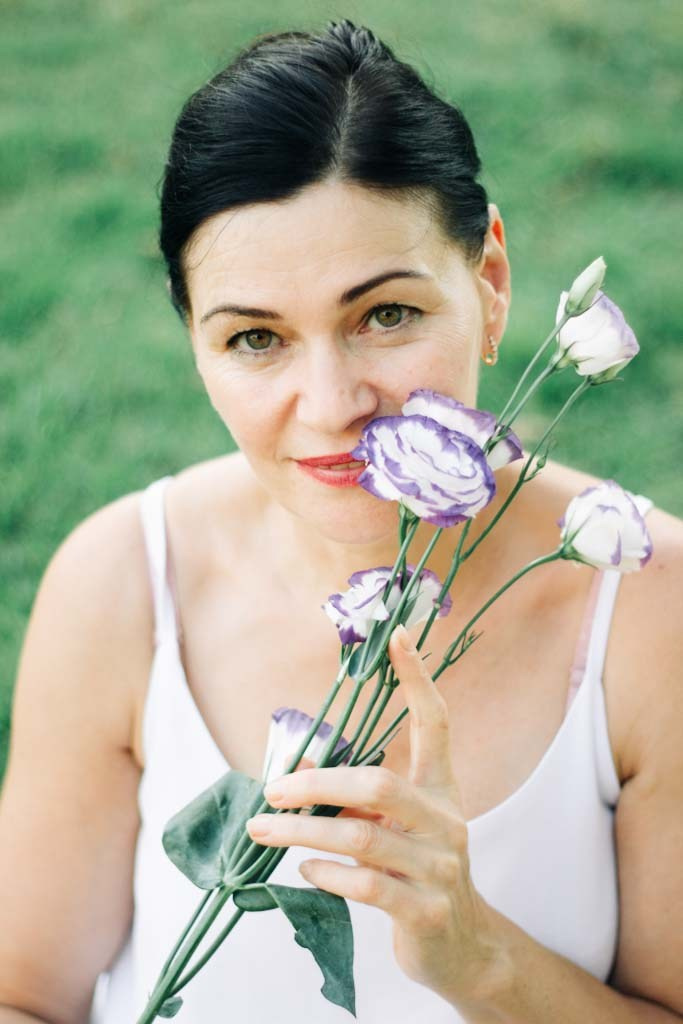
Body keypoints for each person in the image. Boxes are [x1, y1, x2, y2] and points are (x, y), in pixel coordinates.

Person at [0, 19, 681, 1024]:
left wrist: (477, 956)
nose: (330, 405)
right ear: (193, 339)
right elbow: (23, 992)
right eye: (254, 338)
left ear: (488, 285)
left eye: (385, 315)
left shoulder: (649, 611)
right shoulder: (121, 584)